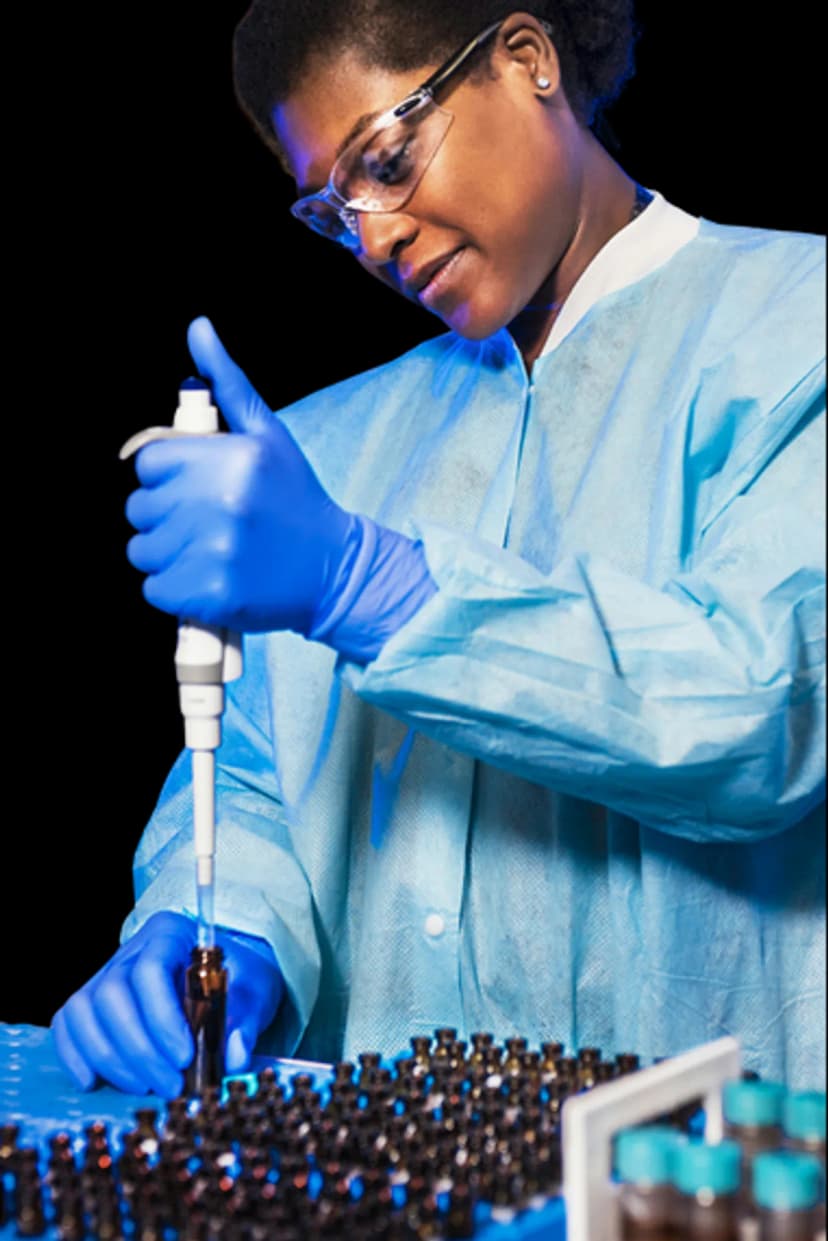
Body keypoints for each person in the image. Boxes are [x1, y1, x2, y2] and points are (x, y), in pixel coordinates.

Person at [52, 0, 825, 1100]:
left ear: (528, 59)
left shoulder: (799, 332)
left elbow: (763, 710)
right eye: (330, 211)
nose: (371, 239)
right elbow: (265, 775)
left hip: (691, 1180)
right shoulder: (327, 446)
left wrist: (368, 587)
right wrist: (216, 921)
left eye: (387, 161)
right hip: (386, 1184)